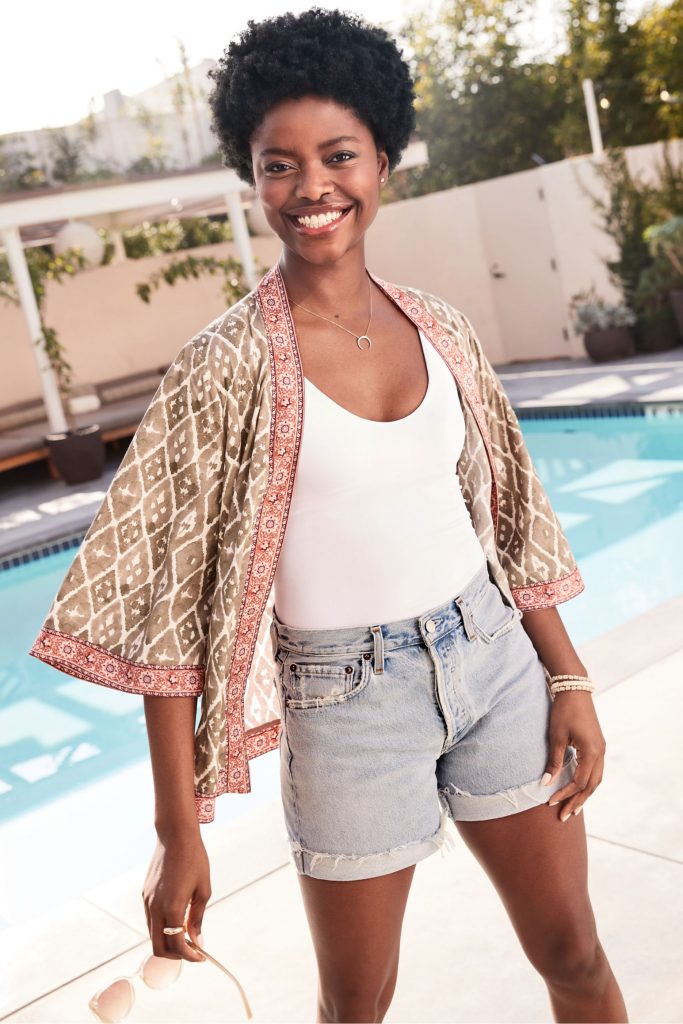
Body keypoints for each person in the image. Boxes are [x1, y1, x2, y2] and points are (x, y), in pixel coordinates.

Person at [30, 8, 628, 1022]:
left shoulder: (438, 326)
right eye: (278, 163)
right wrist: (180, 828)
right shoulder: (221, 370)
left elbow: (511, 520)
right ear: (251, 176)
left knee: (572, 952)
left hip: (492, 665)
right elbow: (173, 609)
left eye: (338, 155)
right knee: (355, 1006)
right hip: (345, 704)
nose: (311, 187)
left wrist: (564, 672)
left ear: (382, 160)